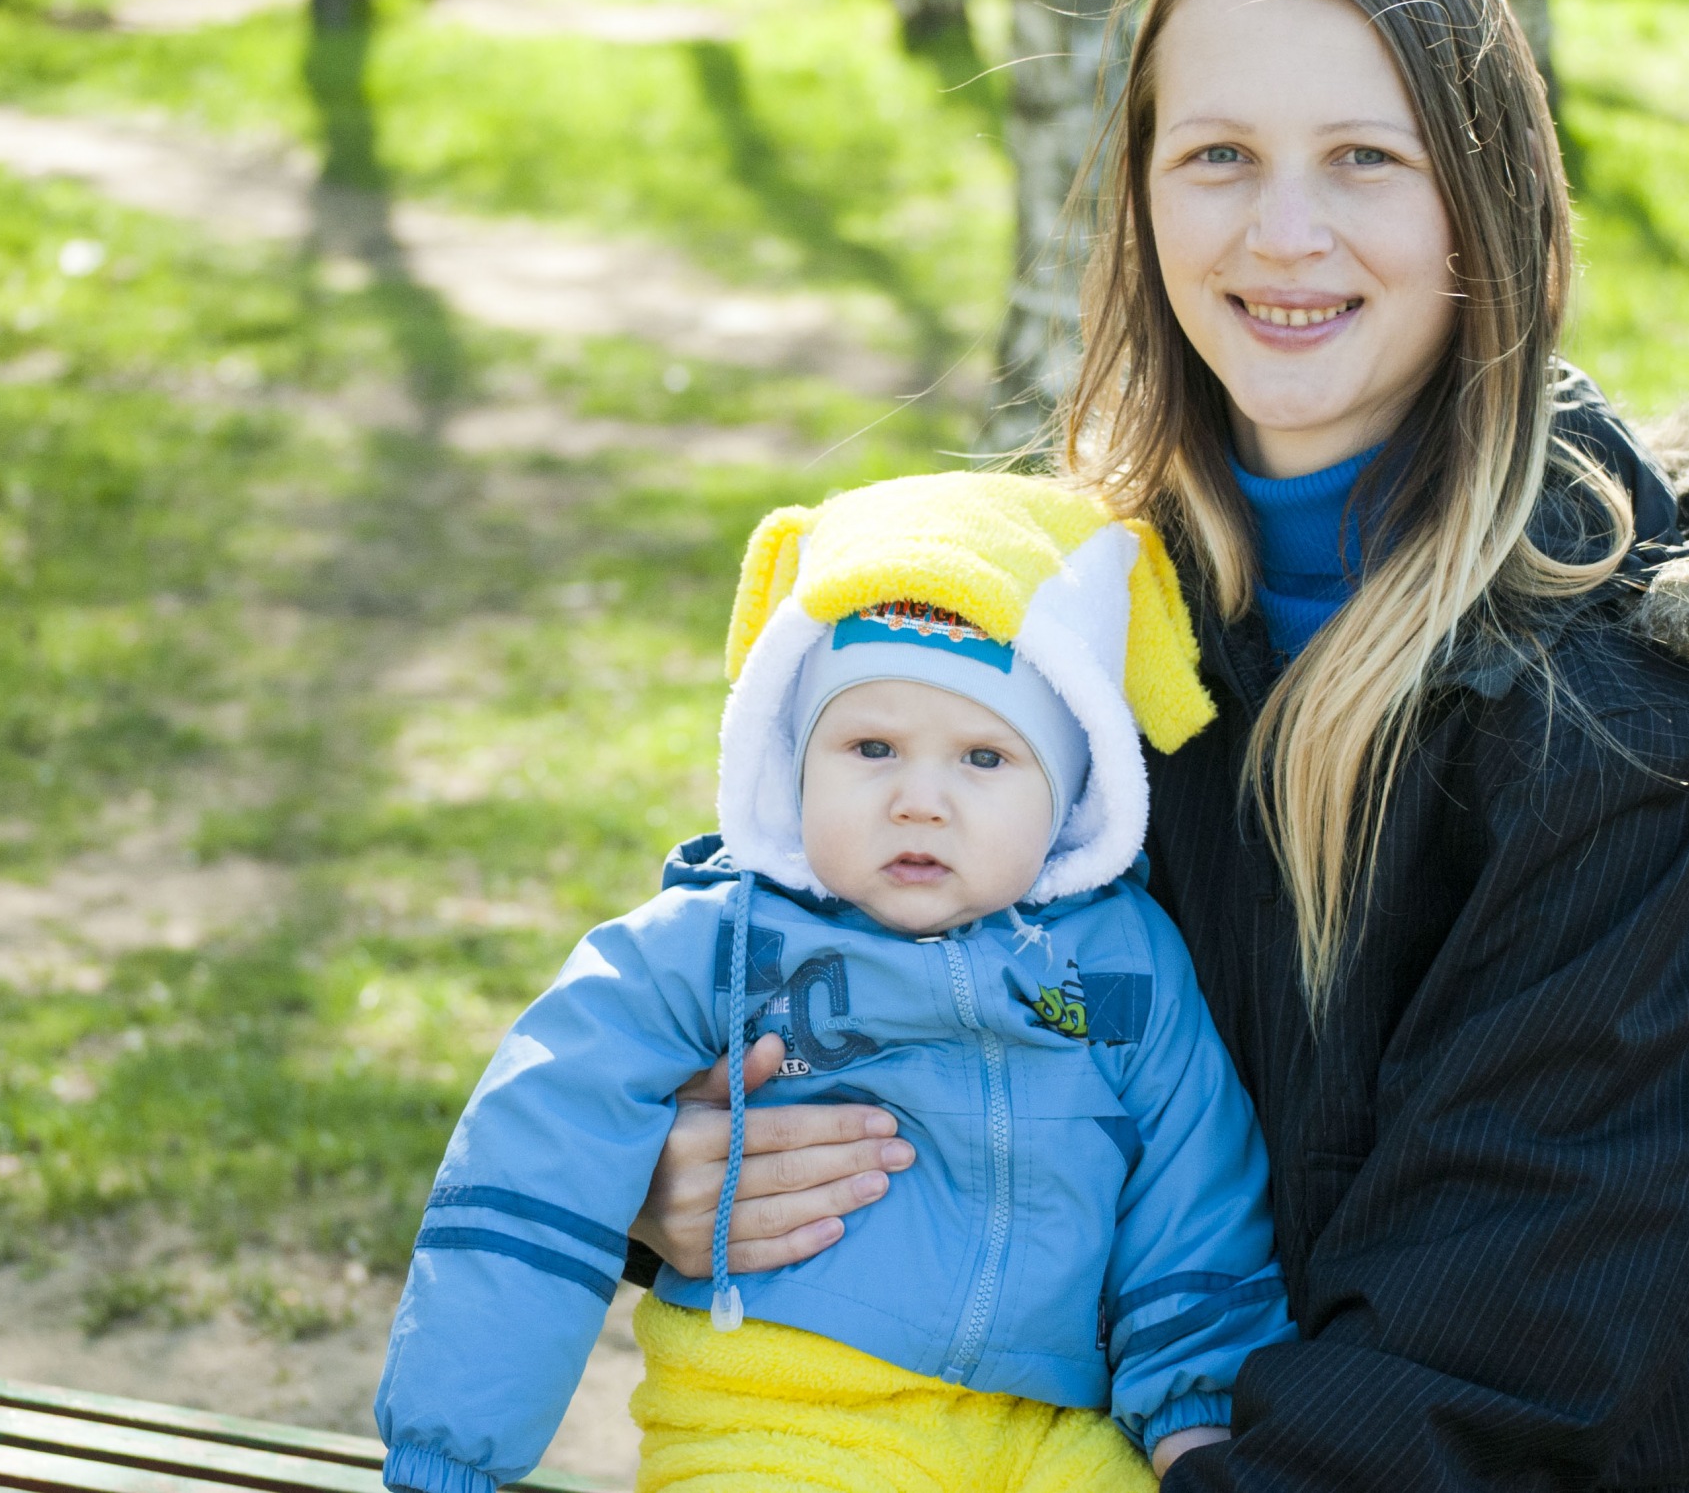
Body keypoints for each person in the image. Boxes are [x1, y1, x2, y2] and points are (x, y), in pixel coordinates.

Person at [629, 0, 1689, 1492]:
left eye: (1366, 158)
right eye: (1218, 154)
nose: (1282, 233)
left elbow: (1521, 1314)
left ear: (1486, 202)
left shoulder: (1621, 713)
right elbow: (784, 921)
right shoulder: (1066, 613)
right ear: (1143, 197)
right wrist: (666, 1153)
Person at [373, 472, 1298, 1493]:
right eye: (872, 747)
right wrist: (449, 1448)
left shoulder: (1123, 961)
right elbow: (538, 1145)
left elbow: (1193, 1195)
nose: (919, 801)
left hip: (1047, 1428)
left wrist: (1195, 1425)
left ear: (1074, 789)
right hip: (776, 1414)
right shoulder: (718, 944)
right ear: (795, 761)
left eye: (985, 758)